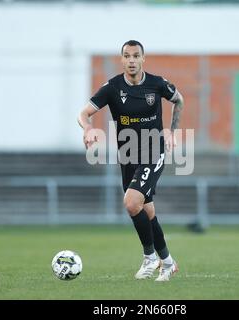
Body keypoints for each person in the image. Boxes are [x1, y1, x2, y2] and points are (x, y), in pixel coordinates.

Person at [77, 40, 184, 281]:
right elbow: (83, 113)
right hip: (128, 156)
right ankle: (167, 262)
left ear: (143, 58)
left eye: (136, 55)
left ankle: (150, 258)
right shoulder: (113, 87)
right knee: (146, 211)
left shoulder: (157, 84)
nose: (132, 60)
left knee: (131, 202)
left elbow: (179, 100)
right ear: (122, 59)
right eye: (127, 56)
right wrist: (87, 129)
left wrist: (172, 130)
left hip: (153, 151)